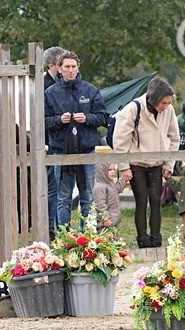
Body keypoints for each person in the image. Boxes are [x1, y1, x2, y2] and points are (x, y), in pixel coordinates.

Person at [113, 77, 180, 249]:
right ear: (155, 98)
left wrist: (168, 165)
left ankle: (156, 239)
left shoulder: (169, 110)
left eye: (168, 103)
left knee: (156, 202)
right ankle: (142, 240)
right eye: (163, 102)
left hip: (157, 162)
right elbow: (120, 140)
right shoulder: (132, 109)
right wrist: (124, 167)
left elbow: (174, 138)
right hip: (137, 163)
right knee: (141, 202)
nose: (166, 106)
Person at [44, 52, 108, 229]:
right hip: (61, 151)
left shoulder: (91, 90)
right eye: (67, 67)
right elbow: (42, 121)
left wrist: (86, 118)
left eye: (73, 66)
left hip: (86, 151)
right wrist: (59, 120)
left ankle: (86, 236)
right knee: (63, 197)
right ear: (60, 69)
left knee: (87, 196)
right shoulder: (50, 93)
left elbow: (102, 117)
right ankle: (64, 237)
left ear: (78, 68)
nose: (70, 70)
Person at [42, 45, 67, 236]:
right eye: (61, 64)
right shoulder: (43, 87)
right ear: (52, 65)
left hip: (63, 141)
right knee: (52, 188)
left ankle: (60, 226)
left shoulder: (64, 85)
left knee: (62, 188)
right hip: (48, 142)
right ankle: (51, 228)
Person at [92, 162, 126, 230]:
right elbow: (100, 205)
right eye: (110, 170)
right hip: (105, 223)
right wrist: (105, 218)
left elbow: (117, 188)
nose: (113, 172)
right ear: (102, 171)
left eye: (114, 170)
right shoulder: (100, 187)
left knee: (114, 238)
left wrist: (123, 180)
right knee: (105, 238)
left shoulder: (110, 183)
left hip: (113, 221)